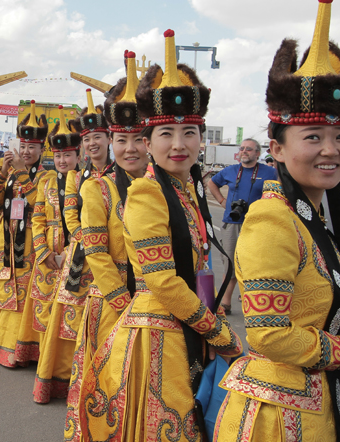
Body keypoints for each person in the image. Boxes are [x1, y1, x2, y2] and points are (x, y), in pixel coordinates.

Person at [214, 2, 340, 441]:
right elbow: (269, 337)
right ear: (276, 150)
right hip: (275, 420)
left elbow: (304, 315)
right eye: (312, 136)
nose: (331, 149)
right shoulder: (271, 220)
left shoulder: (309, 219)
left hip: (312, 406)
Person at [80, 30, 242, 441]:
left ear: (203, 139)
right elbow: (163, 280)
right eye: (165, 133)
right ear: (151, 142)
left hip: (187, 323)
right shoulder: (148, 193)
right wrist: (218, 332)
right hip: (160, 335)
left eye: (189, 131)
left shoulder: (187, 189)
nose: (179, 144)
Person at [64, 51, 148, 441]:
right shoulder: (95, 187)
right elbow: (96, 252)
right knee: (106, 386)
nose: (130, 148)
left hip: (157, 307)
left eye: (139, 139)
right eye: (121, 139)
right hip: (112, 303)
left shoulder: (171, 189)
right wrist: (123, 302)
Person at [33, 93, 114, 404]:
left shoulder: (120, 175)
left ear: (109, 139)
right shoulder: (77, 178)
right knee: (68, 316)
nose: (92, 143)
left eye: (98, 137)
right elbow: (69, 214)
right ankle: (66, 379)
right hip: (82, 255)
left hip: (112, 258)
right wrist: (89, 239)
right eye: (88, 138)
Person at [0, 101, 49, 366]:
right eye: (23, 146)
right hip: (5, 239)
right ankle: (0, 345)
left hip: (30, 241)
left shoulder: (46, 178)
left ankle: (21, 350)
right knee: (3, 291)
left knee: (24, 296)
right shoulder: (8, 172)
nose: (26, 151)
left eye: (32, 147)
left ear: (42, 150)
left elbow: (37, 202)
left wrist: (21, 172)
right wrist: (1, 174)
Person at [207, 138, 278, 314]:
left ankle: (255, 304)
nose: (244, 151)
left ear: (257, 153)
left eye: (249, 149)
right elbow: (211, 183)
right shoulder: (231, 171)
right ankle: (225, 303)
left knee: (257, 265)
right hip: (232, 223)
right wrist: (222, 200)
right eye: (242, 149)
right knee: (230, 263)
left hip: (259, 224)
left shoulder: (270, 172)